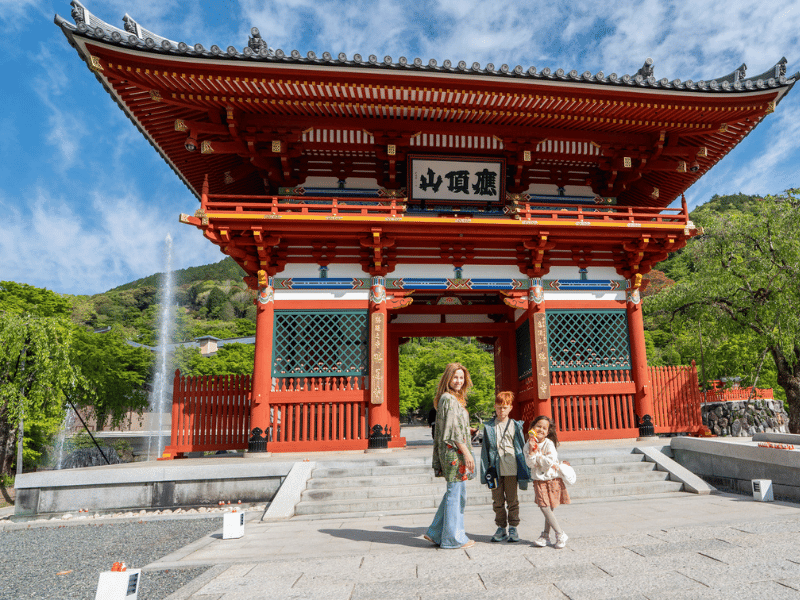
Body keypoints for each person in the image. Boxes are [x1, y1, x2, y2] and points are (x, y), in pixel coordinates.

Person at [424, 362, 476, 549]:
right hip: (455, 452)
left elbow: (452, 425)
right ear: (448, 378)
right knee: (456, 495)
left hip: (453, 450)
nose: (459, 381)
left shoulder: (449, 399)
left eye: (461, 377)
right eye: (455, 377)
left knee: (454, 493)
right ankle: (453, 538)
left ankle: (436, 532)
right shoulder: (449, 399)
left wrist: (467, 428)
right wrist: (467, 453)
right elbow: (453, 432)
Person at [480, 391, 531, 543]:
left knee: (512, 499)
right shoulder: (489, 426)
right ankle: (501, 527)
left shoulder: (516, 425)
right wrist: (484, 470)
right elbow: (484, 450)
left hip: (511, 466)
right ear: (495, 407)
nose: (501, 410)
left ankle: (513, 527)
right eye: (499, 407)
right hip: (494, 468)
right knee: (497, 500)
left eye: (505, 407)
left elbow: (521, 447)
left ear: (510, 408)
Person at [524, 415, 570, 549]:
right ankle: (559, 534)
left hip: (553, 479)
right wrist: (533, 452)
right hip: (539, 480)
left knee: (548, 509)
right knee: (544, 507)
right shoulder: (528, 444)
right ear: (532, 427)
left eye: (544, 428)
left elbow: (548, 463)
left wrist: (537, 455)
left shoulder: (549, 443)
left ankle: (545, 536)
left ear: (548, 431)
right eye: (538, 426)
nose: (541, 430)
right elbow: (530, 464)